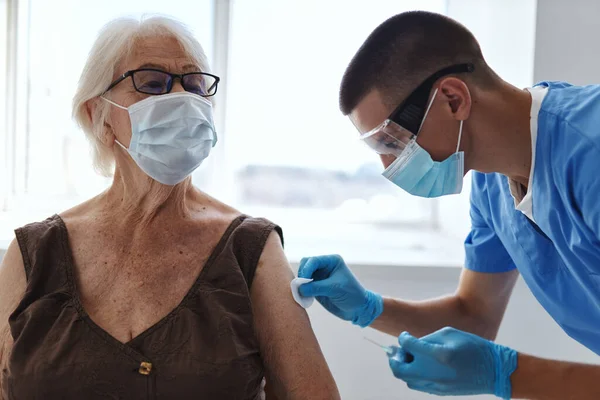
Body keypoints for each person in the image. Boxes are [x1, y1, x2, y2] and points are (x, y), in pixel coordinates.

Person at [0, 16, 340, 400]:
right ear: (98, 115)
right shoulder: (32, 255)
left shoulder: (251, 250)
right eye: (151, 82)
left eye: (194, 83)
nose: (180, 98)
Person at [298, 10, 600, 400]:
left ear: (453, 99)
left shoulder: (590, 151)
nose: (389, 167)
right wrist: (369, 307)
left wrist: (505, 373)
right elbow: (473, 316)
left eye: (391, 143)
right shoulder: (492, 187)